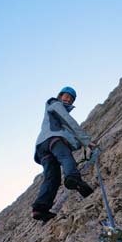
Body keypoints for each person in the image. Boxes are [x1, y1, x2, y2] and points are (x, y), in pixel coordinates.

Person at [32, 86, 97, 222]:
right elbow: (69, 121)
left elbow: (69, 133)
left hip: (42, 147)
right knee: (65, 157)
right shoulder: (55, 104)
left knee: (52, 176)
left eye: (71, 99)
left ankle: (40, 208)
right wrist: (86, 141)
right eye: (66, 96)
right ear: (60, 96)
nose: (68, 99)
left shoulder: (52, 111)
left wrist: (78, 143)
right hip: (53, 140)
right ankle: (73, 178)